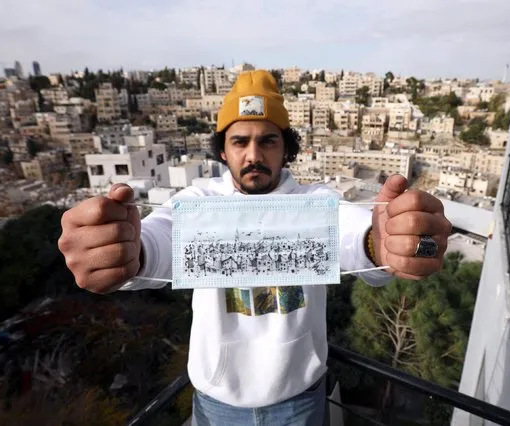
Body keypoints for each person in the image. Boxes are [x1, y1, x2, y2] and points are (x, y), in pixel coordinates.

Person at [58, 70, 452, 425]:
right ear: (223, 150)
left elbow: (355, 237)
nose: (253, 155)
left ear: (286, 148)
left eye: (267, 141)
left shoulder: (315, 202)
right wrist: (126, 253)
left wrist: (381, 244)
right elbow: (160, 241)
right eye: (239, 141)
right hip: (216, 407)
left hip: (300, 404)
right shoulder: (198, 201)